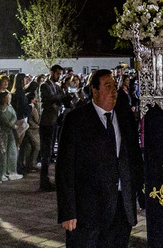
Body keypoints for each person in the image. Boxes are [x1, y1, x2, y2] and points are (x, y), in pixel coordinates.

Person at [56, 69, 143, 248]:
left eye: (115, 86)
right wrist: (68, 211)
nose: (114, 91)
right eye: (108, 86)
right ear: (95, 91)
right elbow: (65, 168)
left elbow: (133, 157)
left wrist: (140, 193)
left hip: (121, 205)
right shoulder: (77, 120)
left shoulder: (124, 116)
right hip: (88, 208)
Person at [39, 65, 67, 191]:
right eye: (57, 74)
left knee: (50, 152)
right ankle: (44, 181)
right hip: (47, 121)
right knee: (46, 151)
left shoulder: (56, 86)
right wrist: (60, 97)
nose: (59, 76)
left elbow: (60, 97)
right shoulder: (45, 85)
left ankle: (47, 179)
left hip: (54, 119)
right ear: (52, 72)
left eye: (60, 74)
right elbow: (51, 98)